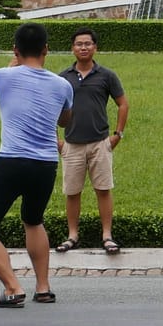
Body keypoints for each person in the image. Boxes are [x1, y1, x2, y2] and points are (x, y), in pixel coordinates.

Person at [0, 21, 72, 308]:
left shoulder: (2, 76)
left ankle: (13, 288)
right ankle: (43, 287)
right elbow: (65, 121)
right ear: (46, 50)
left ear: (15, 50)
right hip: (45, 165)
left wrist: (10, 68)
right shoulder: (62, 84)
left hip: (12, 161)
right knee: (33, 220)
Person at [54, 29, 129, 256]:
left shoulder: (106, 75)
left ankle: (107, 235)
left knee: (103, 189)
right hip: (72, 144)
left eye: (88, 44)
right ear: (72, 48)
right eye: (79, 44)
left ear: (95, 47)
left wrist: (117, 135)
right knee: (72, 192)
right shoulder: (62, 77)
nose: (83, 47)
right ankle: (72, 235)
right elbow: (50, 108)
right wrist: (56, 141)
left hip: (100, 143)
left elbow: (123, 104)